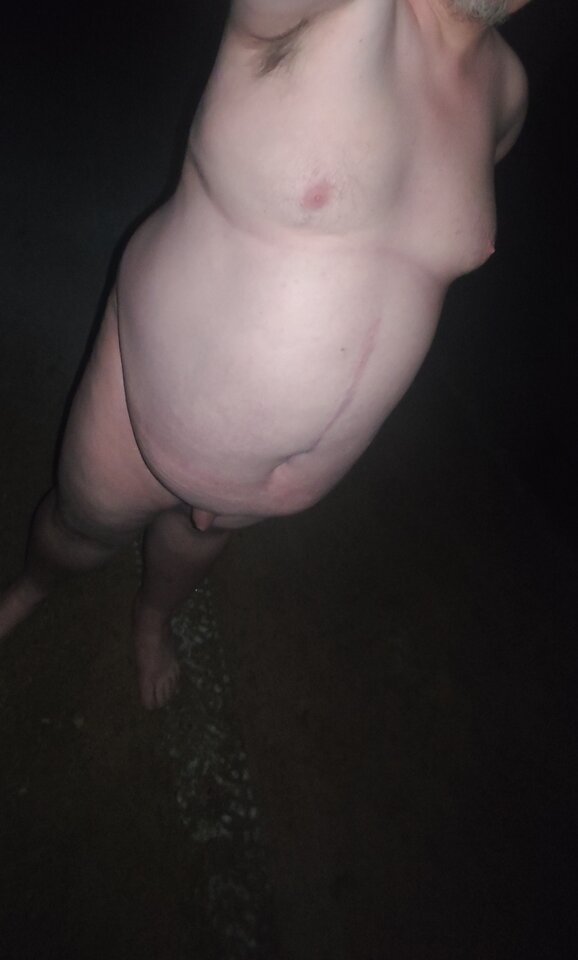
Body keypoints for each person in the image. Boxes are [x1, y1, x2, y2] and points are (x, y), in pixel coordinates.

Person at [0, 0, 530, 708]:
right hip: (140, 408)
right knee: (75, 532)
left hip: (255, 502)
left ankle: (153, 618)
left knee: (189, 549)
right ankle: (31, 586)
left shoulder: (508, 91)